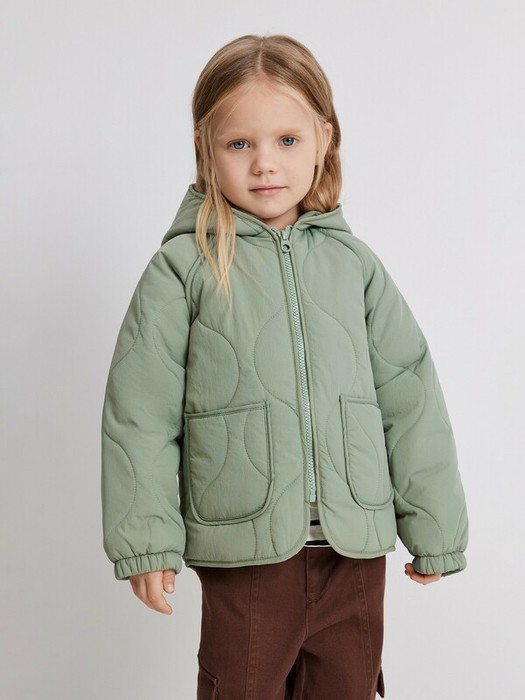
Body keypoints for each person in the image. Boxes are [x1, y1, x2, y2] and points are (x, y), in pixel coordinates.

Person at [101, 34, 469, 700]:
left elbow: (410, 394)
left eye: (287, 140)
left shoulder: (354, 266)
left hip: (354, 554)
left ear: (324, 138)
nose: (264, 163)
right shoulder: (183, 268)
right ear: (204, 147)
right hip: (245, 555)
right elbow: (140, 414)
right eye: (240, 143)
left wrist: (435, 524)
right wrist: (146, 542)